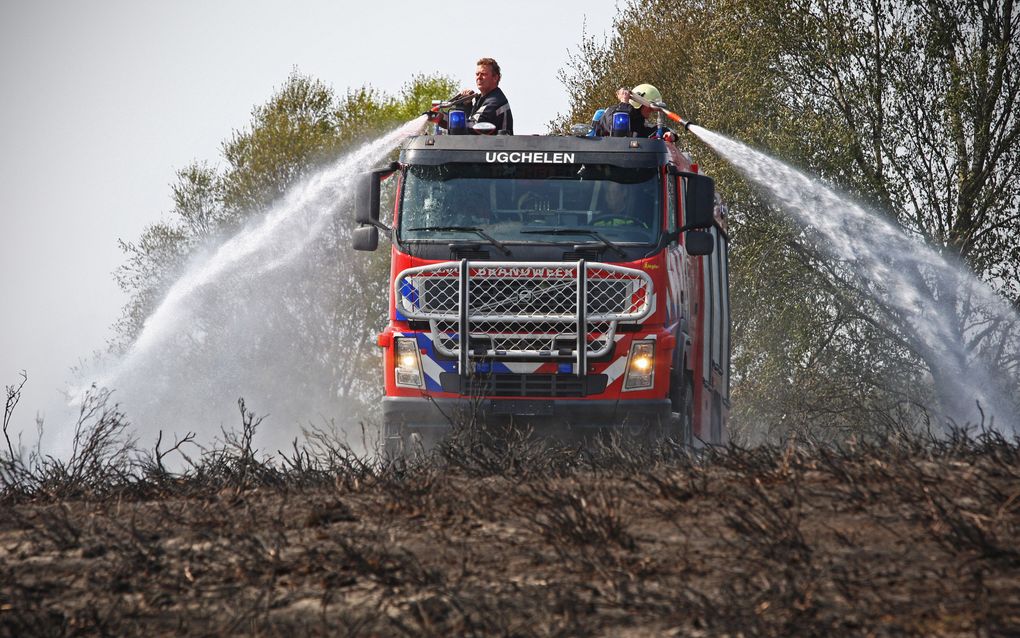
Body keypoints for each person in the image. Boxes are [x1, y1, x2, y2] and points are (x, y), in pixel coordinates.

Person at [433, 58, 514, 134]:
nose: (479, 77)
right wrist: (466, 105)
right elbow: (469, 122)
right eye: (477, 74)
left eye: (483, 74)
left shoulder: (495, 101)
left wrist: (441, 118)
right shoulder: (482, 99)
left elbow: (474, 126)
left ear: (495, 78)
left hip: (497, 148)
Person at [595, 83, 671, 139]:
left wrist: (668, 133)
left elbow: (651, 132)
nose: (652, 110)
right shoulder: (613, 111)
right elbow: (617, 129)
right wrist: (624, 102)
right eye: (651, 106)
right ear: (639, 104)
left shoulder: (639, 122)